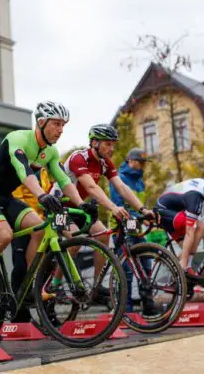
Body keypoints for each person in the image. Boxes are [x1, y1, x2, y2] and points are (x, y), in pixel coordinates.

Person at [0, 101, 94, 306]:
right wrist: (42, 195)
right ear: (41, 122)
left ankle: (32, 285)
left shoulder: (50, 152)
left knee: (39, 230)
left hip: (5, 197)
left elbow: (63, 179)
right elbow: (23, 171)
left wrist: (81, 204)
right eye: (57, 124)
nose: (61, 130)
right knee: (4, 235)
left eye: (63, 125)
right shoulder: (18, 138)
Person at [59, 125, 155, 297]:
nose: (112, 149)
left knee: (103, 235)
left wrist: (142, 209)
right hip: (59, 208)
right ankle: (55, 285)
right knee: (76, 241)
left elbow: (121, 187)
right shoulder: (79, 158)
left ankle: (96, 287)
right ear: (95, 142)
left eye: (113, 144)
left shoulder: (105, 163)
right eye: (108, 144)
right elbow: (91, 187)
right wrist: (113, 207)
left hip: (79, 209)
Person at [109, 147, 153, 313]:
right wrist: (137, 216)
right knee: (126, 270)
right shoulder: (119, 178)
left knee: (146, 264)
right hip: (121, 227)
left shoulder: (140, 182)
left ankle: (148, 305)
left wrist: (146, 216)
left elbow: (139, 204)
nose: (143, 166)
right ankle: (125, 309)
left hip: (136, 227)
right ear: (131, 161)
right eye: (141, 163)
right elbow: (119, 203)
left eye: (144, 163)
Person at [10, 164, 52, 321]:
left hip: (41, 225)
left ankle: (47, 314)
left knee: (47, 264)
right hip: (21, 221)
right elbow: (17, 200)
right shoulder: (19, 169)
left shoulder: (43, 172)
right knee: (20, 266)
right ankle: (19, 314)